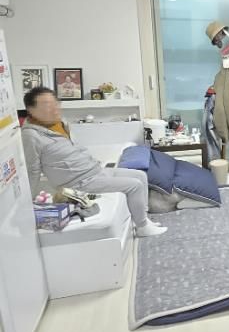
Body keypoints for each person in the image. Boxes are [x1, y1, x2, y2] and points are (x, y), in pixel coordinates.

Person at [21, 87, 166, 237]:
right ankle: (142, 227)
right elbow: (32, 169)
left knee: (140, 176)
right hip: (79, 182)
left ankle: (143, 218)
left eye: (55, 103)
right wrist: (26, 204)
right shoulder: (30, 135)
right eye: (47, 105)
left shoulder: (58, 124)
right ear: (31, 110)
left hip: (95, 171)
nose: (55, 108)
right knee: (134, 185)